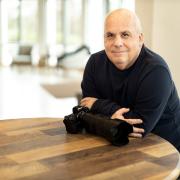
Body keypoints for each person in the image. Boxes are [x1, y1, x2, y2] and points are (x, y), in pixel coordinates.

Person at [80, 8, 180, 152]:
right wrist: (110, 119)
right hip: (117, 145)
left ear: (140, 39)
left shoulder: (157, 71)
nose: (117, 42)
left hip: (166, 153)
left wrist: (97, 105)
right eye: (110, 35)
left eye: (125, 34)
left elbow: (139, 128)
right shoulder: (95, 63)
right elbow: (85, 114)